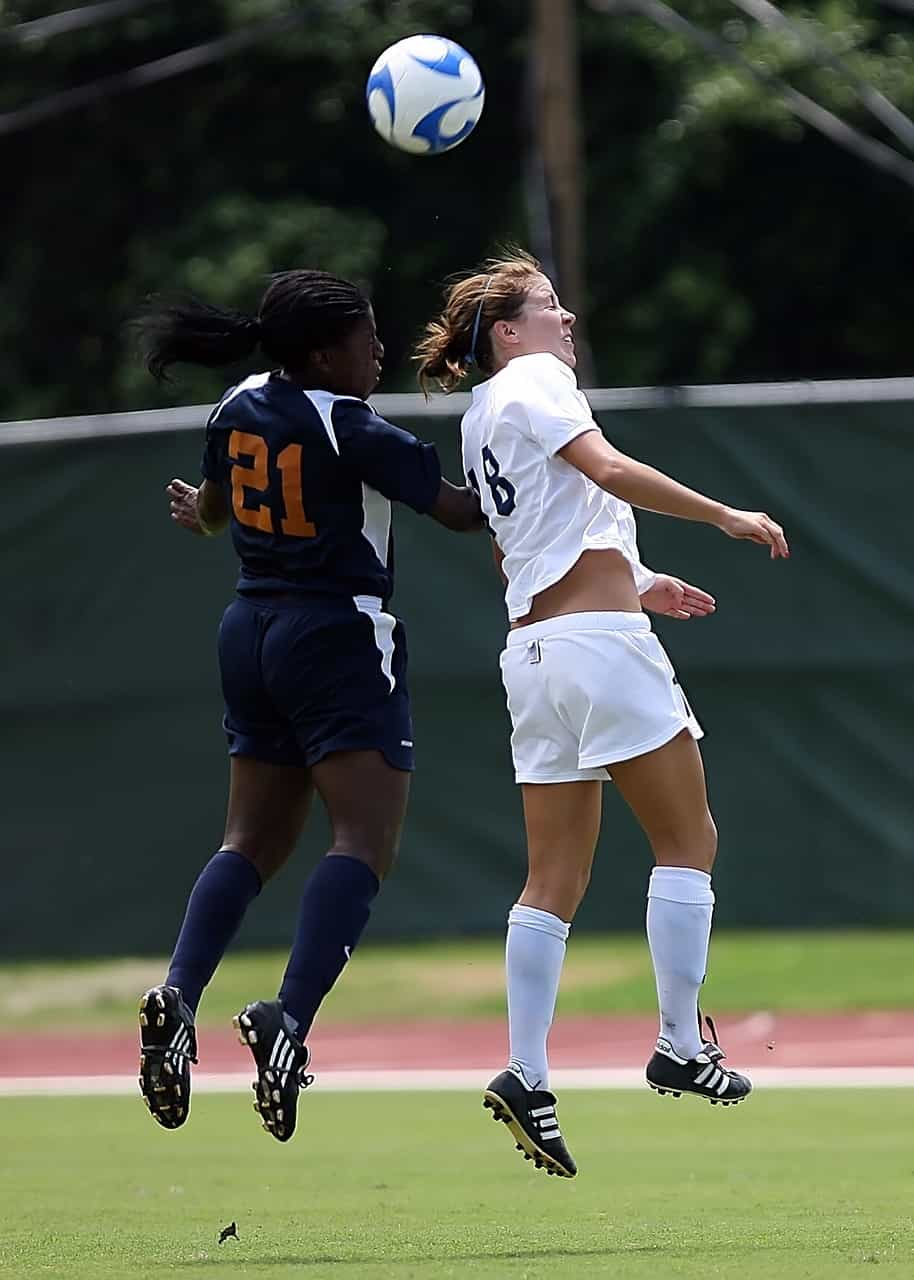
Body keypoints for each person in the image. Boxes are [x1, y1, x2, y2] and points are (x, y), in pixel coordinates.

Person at [414, 251, 789, 1180]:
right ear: (508, 333)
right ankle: (677, 1043)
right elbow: (609, 469)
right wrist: (724, 516)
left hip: (532, 657)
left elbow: (522, 552)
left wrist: (641, 578)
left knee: (551, 880)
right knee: (688, 839)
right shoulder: (536, 379)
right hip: (597, 650)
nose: (566, 317)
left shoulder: (475, 420)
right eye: (547, 307)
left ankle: (527, 1072)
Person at [133, 269, 481, 1142]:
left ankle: (179, 993)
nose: (378, 351)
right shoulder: (354, 427)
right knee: (361, 842)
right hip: (336, 635)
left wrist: (201, 514)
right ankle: (287, 1018)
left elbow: (213, 515)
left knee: (247, 841)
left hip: (249, 629)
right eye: (366, 338)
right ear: (324, 352)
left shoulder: (239, 402)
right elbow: (463, 514)